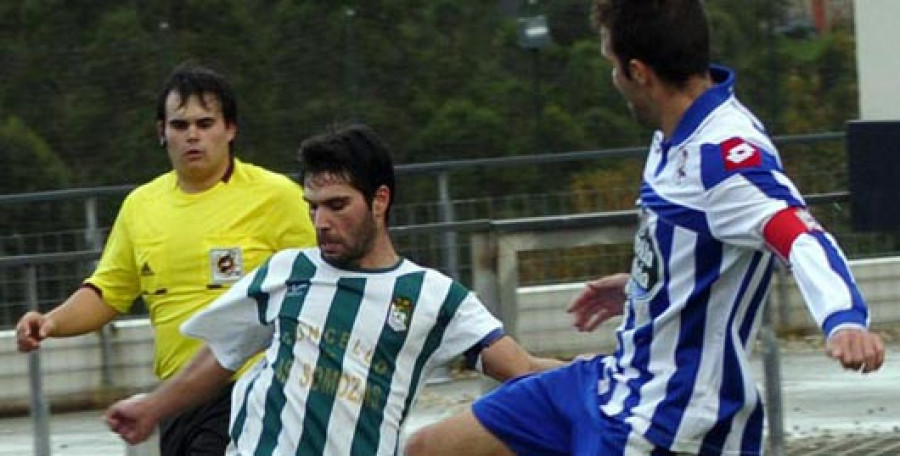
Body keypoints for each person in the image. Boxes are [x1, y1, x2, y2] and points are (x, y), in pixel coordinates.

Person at [405, 1, 886, 455]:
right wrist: (645, 290)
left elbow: (802, 235)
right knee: (428, 447)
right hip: (612, 381)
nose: (613, 78)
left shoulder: (725, 158)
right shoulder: (674, 133)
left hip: (666, 424)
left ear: (639, 72)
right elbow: (694, 247)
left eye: (613, 65)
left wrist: (843, 318)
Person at [103, 124, 564, 455]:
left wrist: (608, 373)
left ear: (380, 200)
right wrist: (154, 406)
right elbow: (222, 353)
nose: (321, 222)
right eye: (313, 207)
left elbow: (522, 368)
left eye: (337, 205)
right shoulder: (287, 270)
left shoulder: (433, 297)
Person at [15, 63, 316, 455]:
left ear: (231, 129)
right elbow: (108, 291)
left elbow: (327, 279)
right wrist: (51, 321)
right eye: (180, 124)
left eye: (206, 123)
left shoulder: (278, 197)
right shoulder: (141, 206)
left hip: (255, 389)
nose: (193, 135)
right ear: (162, 133)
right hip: (177, 398)